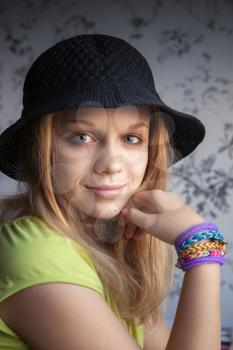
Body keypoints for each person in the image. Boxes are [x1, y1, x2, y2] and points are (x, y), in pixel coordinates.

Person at [0, 33, 227, 350]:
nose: (111, 164)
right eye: (81, 137)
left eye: (131, 138)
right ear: (42, 149)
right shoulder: (32, 250)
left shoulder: (106, 245)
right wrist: (201, 246)